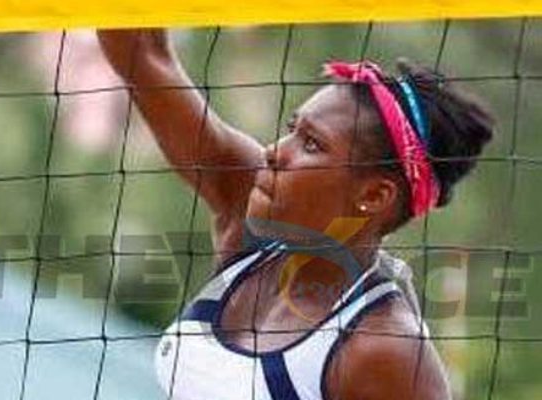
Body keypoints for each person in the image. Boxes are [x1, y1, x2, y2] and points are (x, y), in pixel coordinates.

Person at [97, 28, 494, 400]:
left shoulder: (384, 348)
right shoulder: (251, 213)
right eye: (292, 128)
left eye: (311, 144)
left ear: (374, 195)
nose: (274, 151)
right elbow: (143, 55)